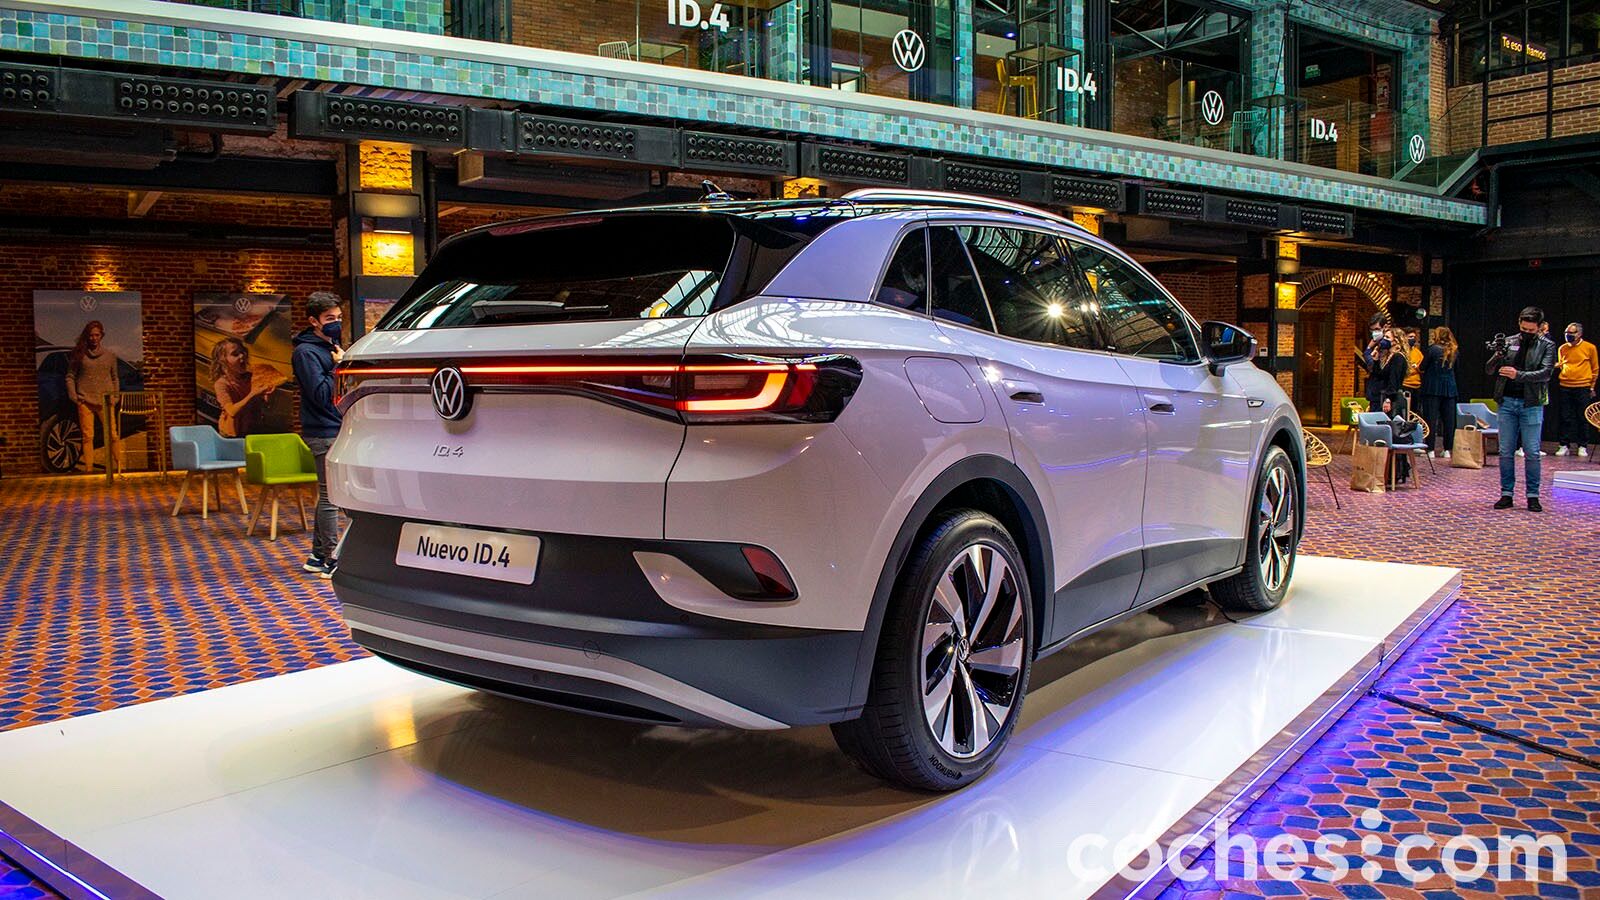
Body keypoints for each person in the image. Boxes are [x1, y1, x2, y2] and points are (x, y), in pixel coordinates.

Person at [292, 292, 345, 578]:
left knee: (328, 494)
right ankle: (332, 558)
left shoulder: (331, 346)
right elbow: (321, 395)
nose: (336, 323)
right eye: (329, 318)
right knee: (331, 497)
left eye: (339, 317)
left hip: (335, 427)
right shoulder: (305, 352)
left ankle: (317, 556)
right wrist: (338, 367)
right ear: (314, 321)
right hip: (322, 431)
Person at [1486, 306, 1556, 512]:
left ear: (1540, 327)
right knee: (1505, 451)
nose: (1526, 333)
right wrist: (1497, 356)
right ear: (1519, 324)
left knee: (1532, 452)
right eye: (1523, 329)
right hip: (1507, 402)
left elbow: (1546, 373)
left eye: (1531, 330)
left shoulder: (1547, 345)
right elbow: (1489, 369)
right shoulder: (1509, 342)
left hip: (1532, 403)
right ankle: (1506, 494)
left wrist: (1519, 375)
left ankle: (1533, 496)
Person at [66, 320, 121, 474]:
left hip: (106, 400)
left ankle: (120, 467)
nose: (94, 338)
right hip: (85, 400)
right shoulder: (79, 355)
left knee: (112, 435)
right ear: (87, 336)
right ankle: (89, 469)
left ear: (101, 336)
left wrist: (115, 397)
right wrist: (74, 396)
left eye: (97, 335)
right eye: (91, 335)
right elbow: (70, 376)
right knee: (87, 436)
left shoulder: (110, 356)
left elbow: (115, 378)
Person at [210, 337, 274, 438]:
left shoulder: (252, 377)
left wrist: (266, 396)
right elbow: (232, 411)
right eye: (235, 354)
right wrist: (253, 394)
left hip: (253, 429)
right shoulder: (222, 384)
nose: (242, 356)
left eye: (242, 352)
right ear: (223, 361)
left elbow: (265, 406)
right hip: (232, 433)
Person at [1554, 322, 1597, 457]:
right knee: (1564, 417)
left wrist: (1592, 386)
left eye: (1571, 333)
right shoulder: (1562, 348)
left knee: (1582, 417)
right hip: (1565, 386)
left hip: (1582, 386)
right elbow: (1562, 364)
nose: (1568, 335)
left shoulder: (1590, 347)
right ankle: (1564, 445)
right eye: (1566, 333)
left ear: (1579, 334)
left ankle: (1582, 446)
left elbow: (1595, 368)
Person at [1417, 326, 1459, 459]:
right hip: (1450, 389)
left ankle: (1430, 449)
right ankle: (1447, 450)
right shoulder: (1454, 350)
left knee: (1431, 419)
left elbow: (1422, 367)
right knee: (1449, 421)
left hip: (1432, 388)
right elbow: (1457, 369)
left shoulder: (1433, 349)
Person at [1364, 330, 1408, 416]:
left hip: (1388, 399)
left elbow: (1393, 379)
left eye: (1387, 337)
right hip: (1378, 396)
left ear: (1395, 341)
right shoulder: (1389, 357)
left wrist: (1388, 399)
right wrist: (1376, 361)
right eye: (1384, 336)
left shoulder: (1398, 357)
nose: (1384, 339)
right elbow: (1379, 375)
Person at [1401, 327, 1423, 409]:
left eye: (1414, 337)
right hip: (1404, 384)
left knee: (1415, 410)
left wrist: (1417, 368)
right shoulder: (1401, 352)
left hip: (1416, 386)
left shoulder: (1418, 353)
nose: (1412, 339)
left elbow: (1422, 368)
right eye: (1410, 337)